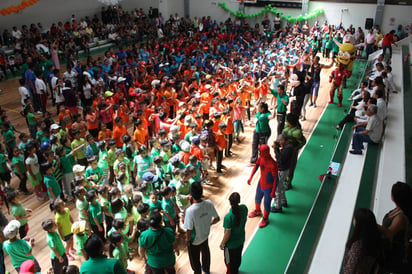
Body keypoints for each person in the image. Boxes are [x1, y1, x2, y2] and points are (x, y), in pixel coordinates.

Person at [184, 182, 220, 274]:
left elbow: (189, 229)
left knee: (195, 259)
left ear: (191, 194)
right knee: (206, 253)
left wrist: (188, 240)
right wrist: (208, 224)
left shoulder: (190, 211)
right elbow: (217, 218)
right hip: (205, 235)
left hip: (194, 241)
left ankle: (198, 272)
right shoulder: (209, 203)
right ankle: (206, 269)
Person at [380, 182, 412, 273]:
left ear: (394, 197)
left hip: (394, 253)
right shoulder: (399, 210)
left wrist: (371, 222)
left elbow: (389, 233)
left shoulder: (400, 217)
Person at [343, 208, 383, 274]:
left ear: (357, 222)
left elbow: (349, 271)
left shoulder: (358, 245)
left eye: (355, 219)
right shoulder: (376, 236)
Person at [247, 144, 277, 228]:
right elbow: (256, 167)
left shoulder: (272, 164)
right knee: (257, 198)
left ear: (265, 152)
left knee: (266, 204)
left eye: (261, 151)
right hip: (261, 183)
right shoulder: (261, 158)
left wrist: (273, 191)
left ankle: (265, 218)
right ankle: (257, 211)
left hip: (269, 187)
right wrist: (250, 177)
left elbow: (276, 179)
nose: (259, 153)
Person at [220, 192, 248, 274]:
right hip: (241, 241)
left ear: (230, 202)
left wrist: (222, 244)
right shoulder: (244, 208)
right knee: (237, 259)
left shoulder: (228, 217)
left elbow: (227, 233)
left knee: (230, 265)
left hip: (230, 246)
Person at [281, 113, 306, 190]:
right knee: (283, 166)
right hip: (285, 150)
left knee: (291, 168)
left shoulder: (297, 132)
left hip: (292, 152)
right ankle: (284, 180)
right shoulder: (286, 127)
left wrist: (295, 148)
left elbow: (303, 142)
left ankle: (288, 184)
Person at [272, 135, 294, 212]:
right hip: (285, 169)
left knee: (277, 188)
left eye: (280, 141)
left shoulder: (287, 149)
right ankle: (283, 201)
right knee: (281, 187)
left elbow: (281, 160)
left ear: (284, 140)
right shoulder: (288, 147)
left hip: (283, 170)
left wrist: (276, 150)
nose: (279, 143)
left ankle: (278, 206)